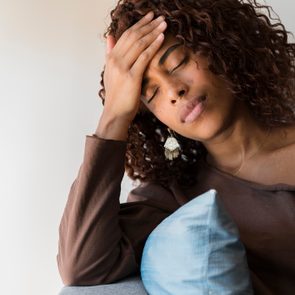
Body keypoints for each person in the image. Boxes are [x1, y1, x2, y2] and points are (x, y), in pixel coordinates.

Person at [57, 0, 295, 293]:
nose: (173, 91)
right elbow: (81, 265)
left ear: (220, 46)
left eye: (178, 62)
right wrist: (114, 116)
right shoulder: (176, 198)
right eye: (152, 93)